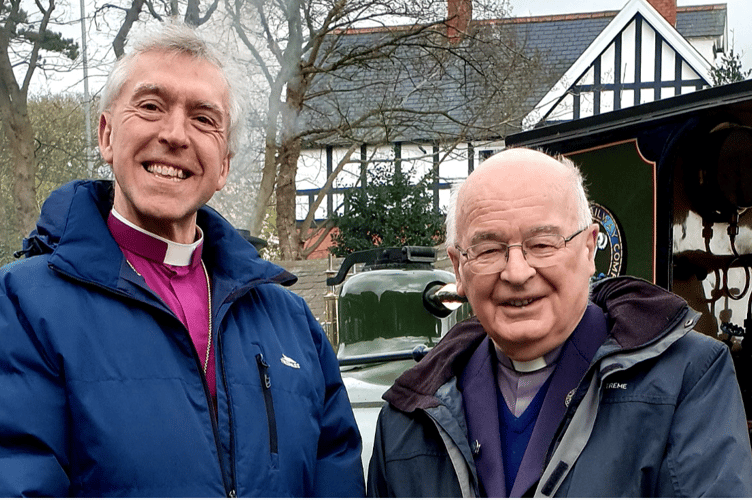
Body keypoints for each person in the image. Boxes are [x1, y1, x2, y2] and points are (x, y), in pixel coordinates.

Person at [0, 21, 364, 497]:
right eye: (151, 106)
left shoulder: (289, 319)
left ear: (225, 165)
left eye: (203, 119)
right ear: (107, 136)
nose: (175, 135)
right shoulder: (22, 305)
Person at [366, 147, 752, 497]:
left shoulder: (688, 379)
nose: (516, 272)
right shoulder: (407, 418)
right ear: (459, 268)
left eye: (542, 245)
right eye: (488, 250)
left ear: (589, 250)